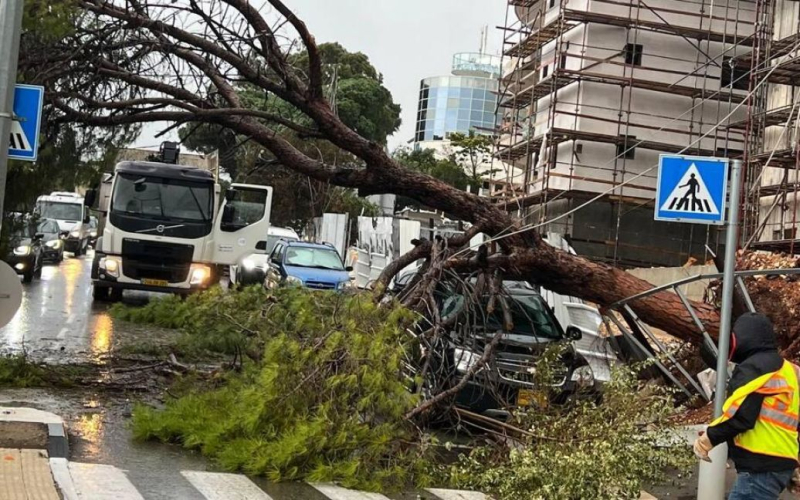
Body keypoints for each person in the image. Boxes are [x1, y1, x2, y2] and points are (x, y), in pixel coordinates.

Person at [694, 313, 800, 499]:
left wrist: (708, 438)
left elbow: (740, 416)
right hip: (782, 463)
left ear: (743, 338)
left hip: (760, 464)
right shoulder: (790, 371)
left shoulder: (754, 369)